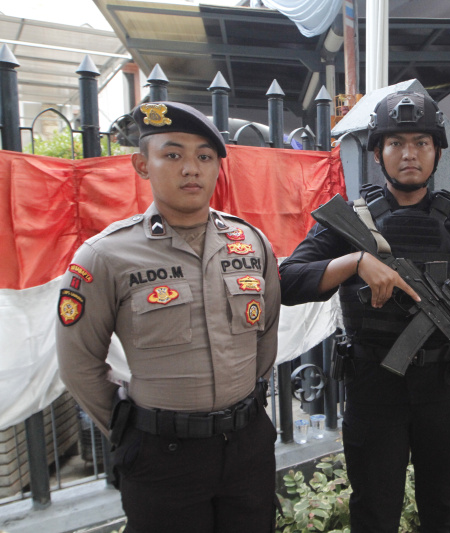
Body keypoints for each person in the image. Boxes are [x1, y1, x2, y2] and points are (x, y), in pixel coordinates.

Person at [279, 91, 450, 533]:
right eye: (396, 143)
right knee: (374, 513)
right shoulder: (352, 221)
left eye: (421, 143)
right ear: (379, 152)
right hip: (374, 388)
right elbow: (288, 280)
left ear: (436, 152)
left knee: (445, 512)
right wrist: (356, 262)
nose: (409, 154)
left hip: (443, 391)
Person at [56, 102, 281, 533]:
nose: (191, 169)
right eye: (173, 155)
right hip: (162, 457)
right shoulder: (105, 255)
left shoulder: (251, 243)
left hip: (247, 447)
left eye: (204, 156)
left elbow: (265, 335)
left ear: (218, 167)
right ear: (142, 164)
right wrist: (136, 432)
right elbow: (79, 364)